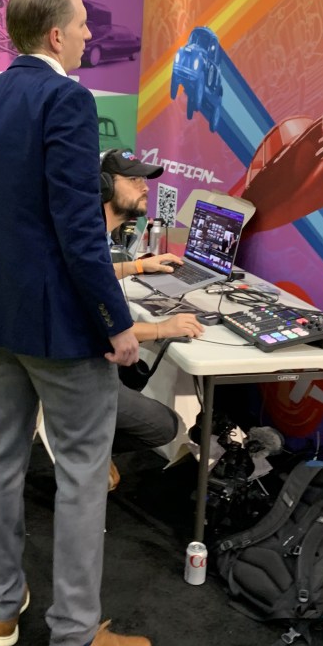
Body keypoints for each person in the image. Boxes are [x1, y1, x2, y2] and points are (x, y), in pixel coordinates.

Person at [0, 0, 152, 646]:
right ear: (57, 33)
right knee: (83, 472)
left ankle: (3, 610)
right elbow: (79, 227)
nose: (92, 34)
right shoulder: (68, 99)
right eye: (85, 24)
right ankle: (73, 642)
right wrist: (116, 322)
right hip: (61, 330)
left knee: (3, 457)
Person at [100, 148, 204, 489]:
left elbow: (95, 274)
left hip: (72, 362)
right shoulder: (85, 239)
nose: (145, 188)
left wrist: (138, 266)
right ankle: (85, 448)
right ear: (103, 185)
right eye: (133, 180)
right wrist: (162, 328)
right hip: (79, 372)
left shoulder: (90, 234)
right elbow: (96, 327)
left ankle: (84, 442)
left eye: (144, 180)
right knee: (165, 426)